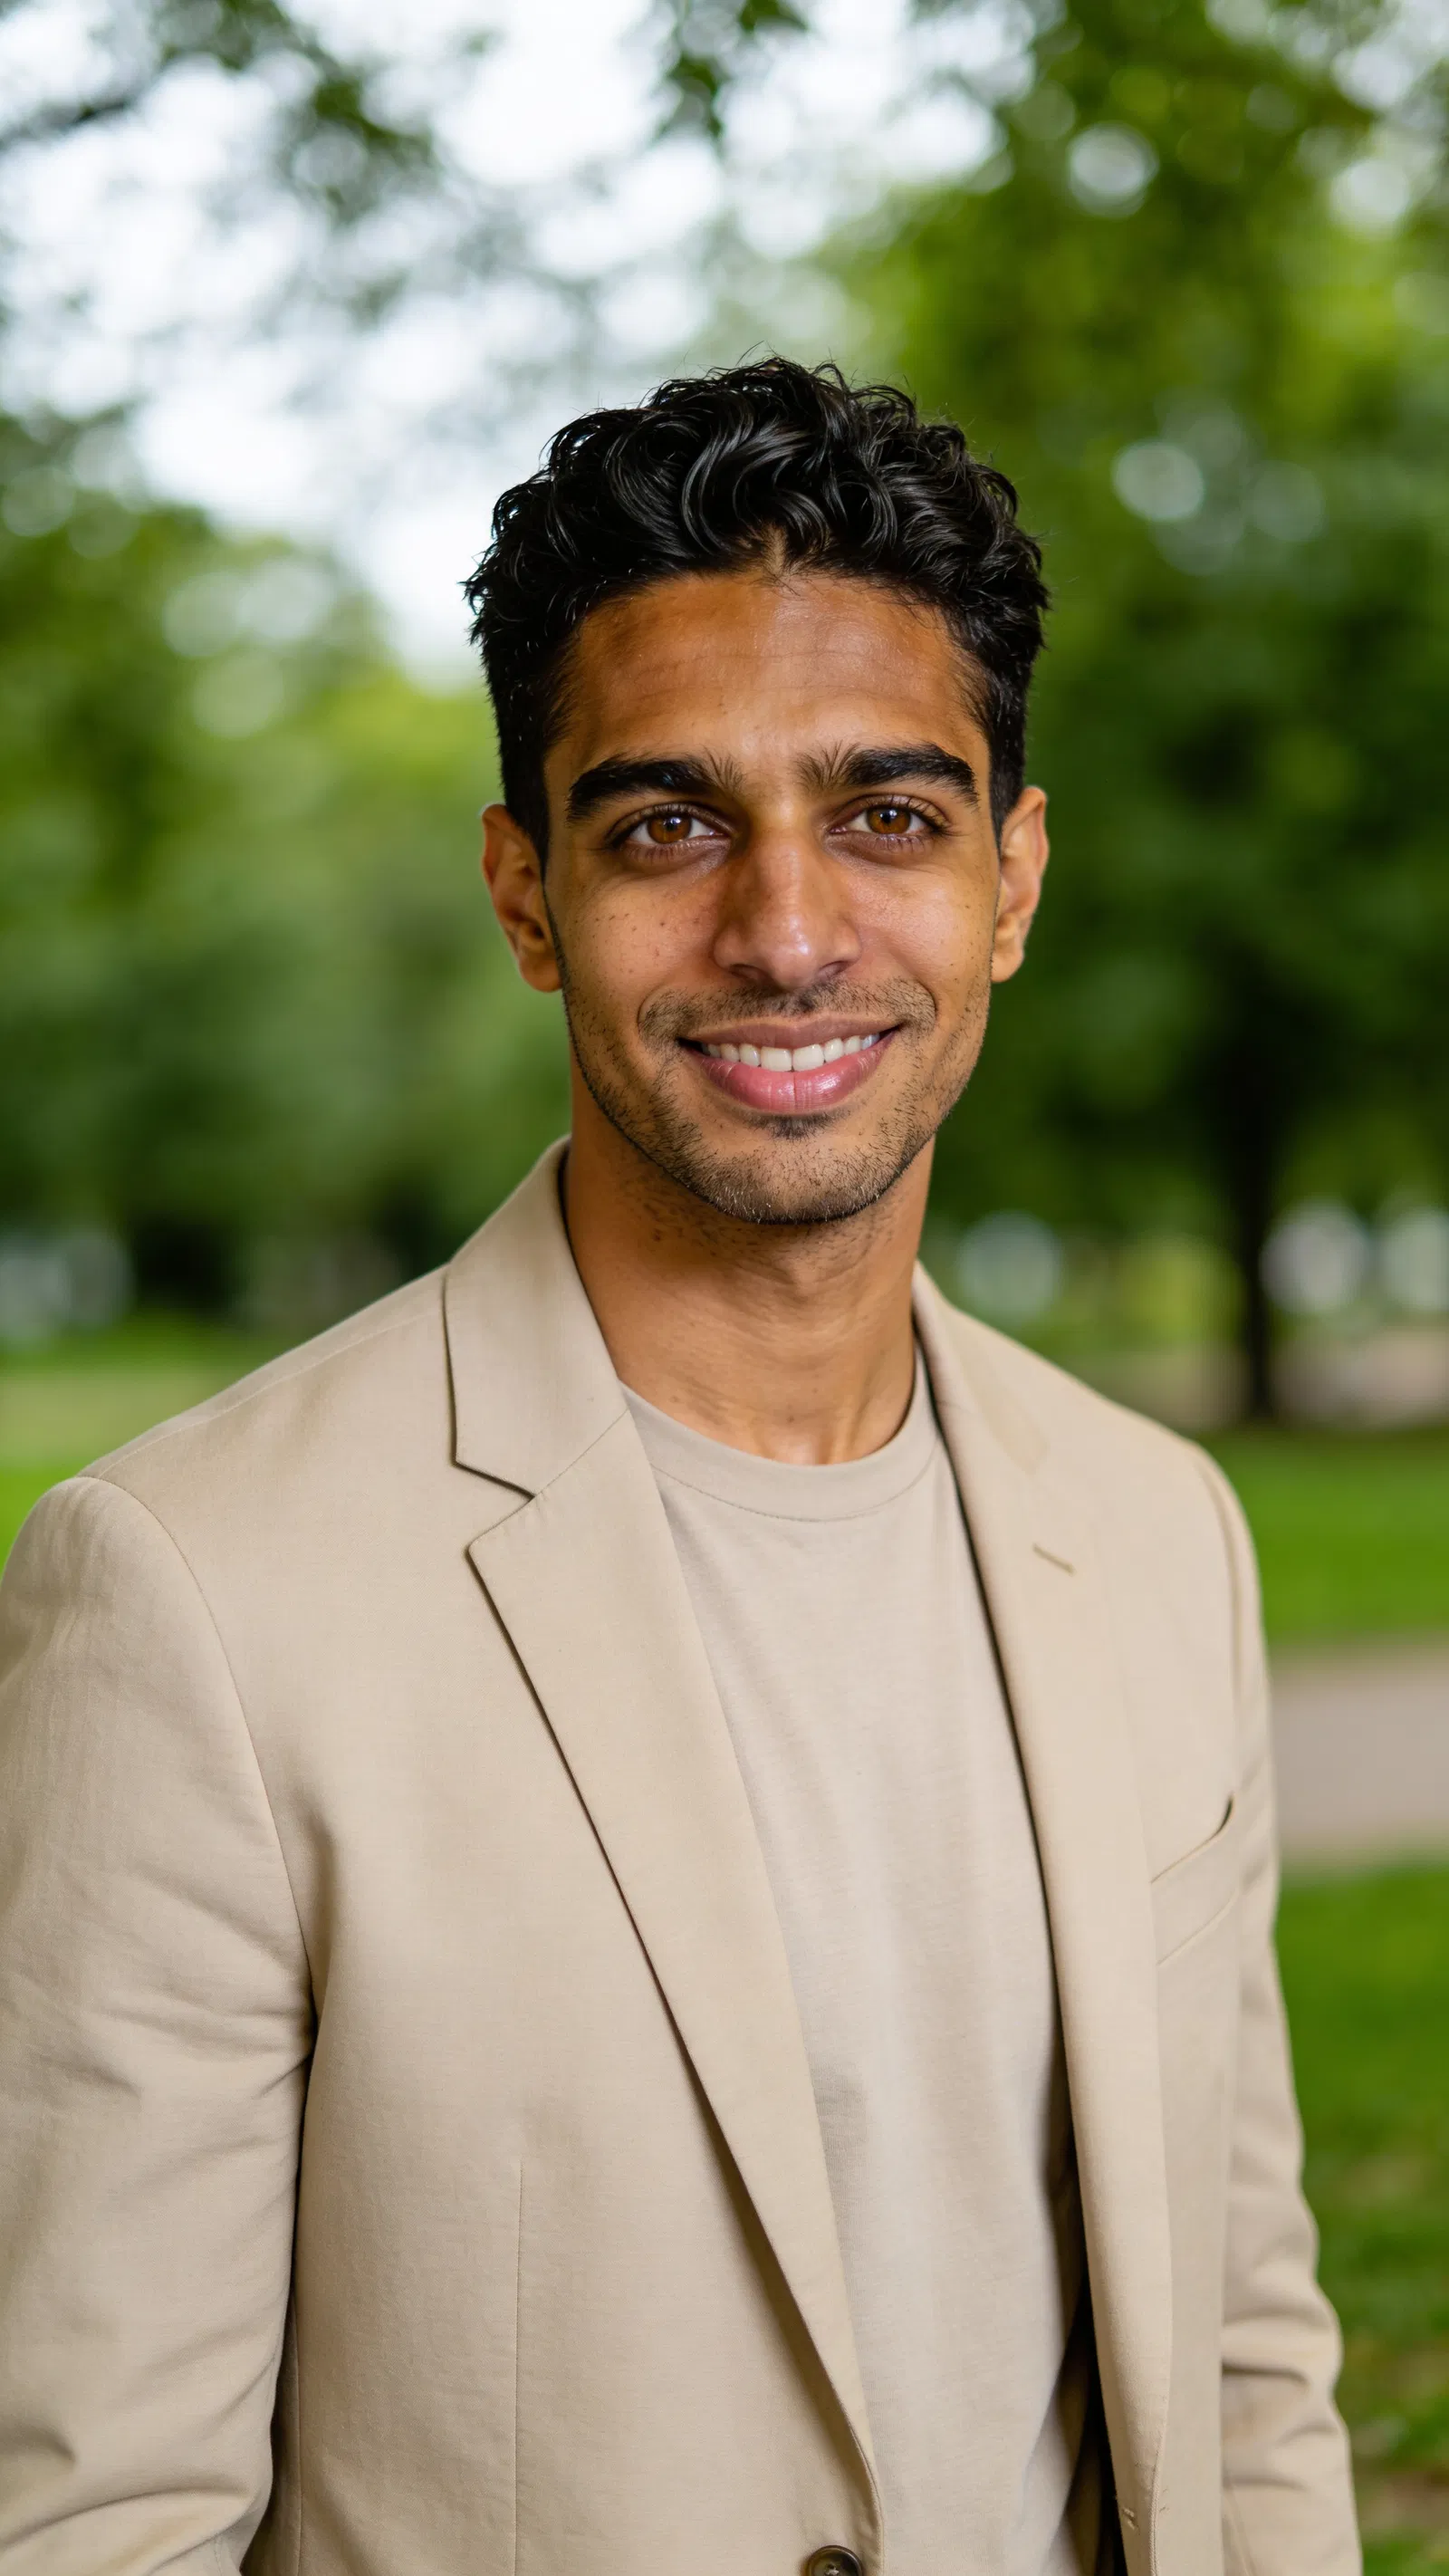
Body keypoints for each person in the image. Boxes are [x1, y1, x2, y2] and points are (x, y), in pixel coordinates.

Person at [0, 359, 1358, 2576]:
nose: (788, 930)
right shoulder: (188, 1594)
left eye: (888, 816)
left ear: (1009, 878)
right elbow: (95, 2525)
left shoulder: (1153, 1529)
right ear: (527, 896)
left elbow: (1236, 2360)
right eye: (666, 827)